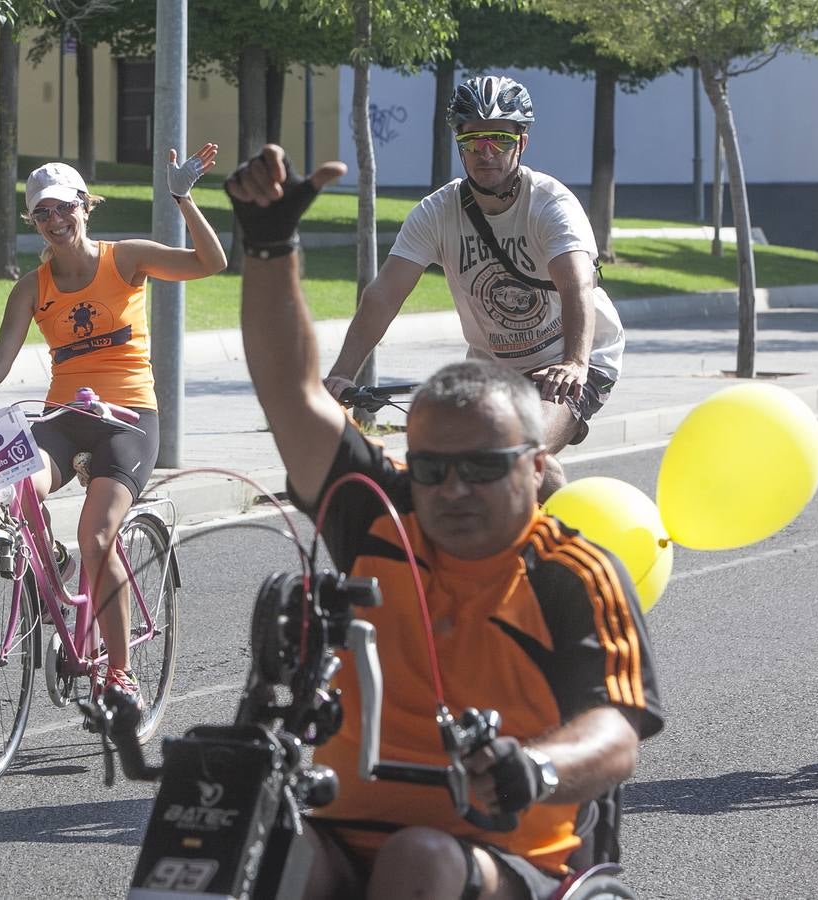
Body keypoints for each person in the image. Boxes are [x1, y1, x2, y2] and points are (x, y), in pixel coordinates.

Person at [225, 146, 663, 899]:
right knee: (229, 844)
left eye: (484, 468)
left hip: (501, 847)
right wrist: (268, 247)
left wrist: (539, 768)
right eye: (431, 469)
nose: (453, 489)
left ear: (535, 468)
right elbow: (292, 395)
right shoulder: (381, 516)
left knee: (417, 861)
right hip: (343, 824)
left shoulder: (571, 571)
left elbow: (615, 731)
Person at [0, 147, 227, 703]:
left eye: (64, 208)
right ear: (32, 221)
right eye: (42, 213)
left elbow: (210, 263)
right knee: (16, 484)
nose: (55, 221)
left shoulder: (126, 259)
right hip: (66, 417)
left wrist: (183, 199)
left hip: (129, 419)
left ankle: (119, 671)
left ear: (86, 206)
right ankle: (54, 561)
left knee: (97, 536)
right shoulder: (33, 287)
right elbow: (0, 356)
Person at [323, 75, 625, 500]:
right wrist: (340, 375)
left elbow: (576, 281)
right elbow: (383, 296)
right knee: (451, 466)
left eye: (499, 139)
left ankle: (566, 561)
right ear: (458, 143)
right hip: (495, 370)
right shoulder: (437, 212)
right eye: (474, 140)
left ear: (522, 142)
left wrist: (575, 362)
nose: (486, 153)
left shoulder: (550, 203)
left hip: (573, 360)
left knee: (520, 456)